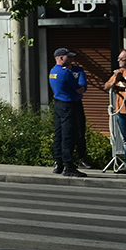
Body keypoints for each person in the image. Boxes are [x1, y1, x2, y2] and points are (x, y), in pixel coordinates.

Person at [49, 47, 87, 177]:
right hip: (68, 105)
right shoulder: (65, 73)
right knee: (68, 135)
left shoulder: (53, 71)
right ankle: (68, 165)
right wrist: (80, 89)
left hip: (58, 104)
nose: (71, 59)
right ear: (61, 58)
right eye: (68, 57)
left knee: (58, 134)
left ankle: (58, 163)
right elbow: (79, 89)